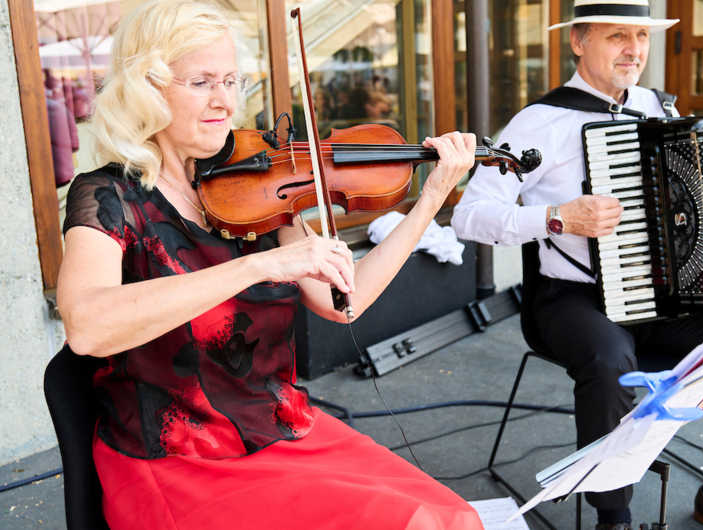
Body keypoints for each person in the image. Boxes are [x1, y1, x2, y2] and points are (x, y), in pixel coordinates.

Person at [56, 1, 481, 528]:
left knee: (456, 519)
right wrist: (258, 267)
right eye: (200, 82)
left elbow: (343, 303)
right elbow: (87, 327)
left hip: (281, 428)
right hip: (180, 461)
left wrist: (432, 196)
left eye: (231, 80)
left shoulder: (253, 184)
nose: (224, 101)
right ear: (147, 86)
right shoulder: (110, 196)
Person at [451, 1, 703, 529]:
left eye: (641, 37)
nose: (634, 50)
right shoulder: (538, 123)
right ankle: (615, 517)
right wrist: (557, 218)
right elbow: (468, 217)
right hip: (576, 299)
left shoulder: (661, 109)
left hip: (668, 297)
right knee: (610, 365)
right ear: (578, 42)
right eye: (616, 37)